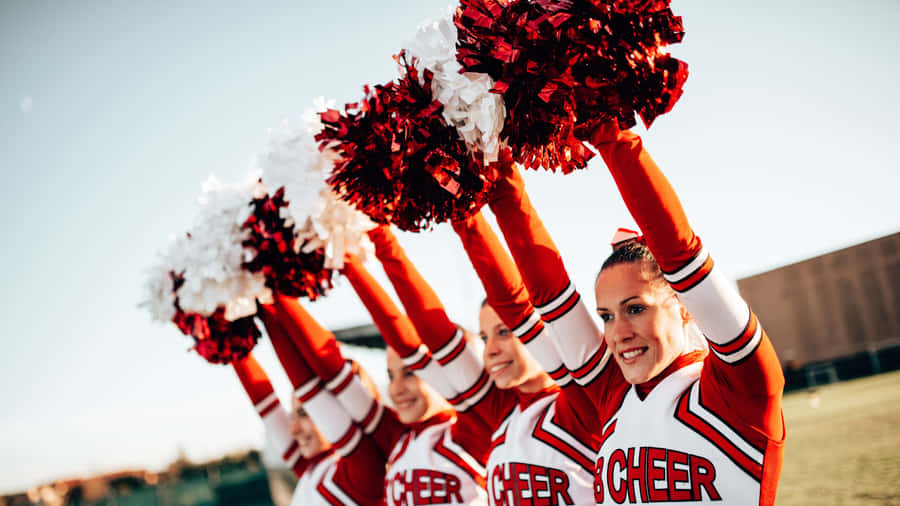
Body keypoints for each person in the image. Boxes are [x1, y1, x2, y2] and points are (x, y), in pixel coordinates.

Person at [483, 121, 785, 504]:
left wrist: (608, 131)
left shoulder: (739, 391)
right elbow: (540, 296)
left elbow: (681, 252)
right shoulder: (611, 394)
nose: (618, 332)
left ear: (685, 306)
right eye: (606, 316)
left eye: (636, 309)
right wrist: (496, 179)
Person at [368, 224, 599, 505]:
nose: (490, 351)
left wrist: (468, 217)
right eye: (484, 337)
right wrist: (376, 238)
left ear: (541, 327)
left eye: (504, 331)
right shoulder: (500, 413)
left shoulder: (582, 403)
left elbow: (517, 301)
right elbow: (423, 335)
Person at [269, 267, 491, 506]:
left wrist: (353, 263)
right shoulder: (396, 438)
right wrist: (270, 297)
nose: (396, 389)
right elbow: (328, 370)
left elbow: (398, 336)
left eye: (410, 373)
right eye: (390, 375)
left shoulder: (474, 431)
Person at [255, 303, 387, 506]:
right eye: (293, 416)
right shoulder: (312, 469)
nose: (294, 429)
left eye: (305, 414)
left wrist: (273, 297)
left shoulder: (363, 474)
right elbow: (262, 399)